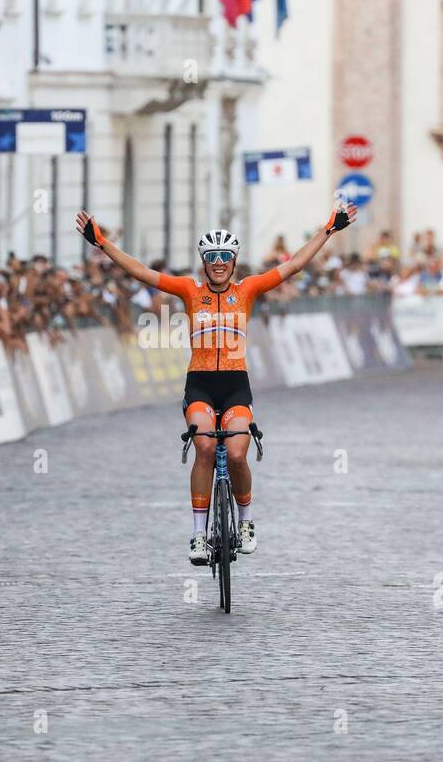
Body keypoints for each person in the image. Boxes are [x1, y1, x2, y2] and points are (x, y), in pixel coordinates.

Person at [74, 199, 359, 565]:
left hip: (236, 384)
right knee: (205, 448)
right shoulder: (190, 291)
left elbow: (293, 265)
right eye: (212, 256)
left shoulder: (248, 290)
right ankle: (197, 535)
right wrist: (102, 243)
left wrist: (328, 229)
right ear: (204, 262)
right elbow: (141, 272)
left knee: (238, 453)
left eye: (225, 255)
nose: (220, 262)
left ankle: (246, 522)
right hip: (201, 384)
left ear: (234, 261)